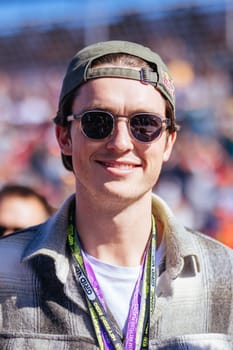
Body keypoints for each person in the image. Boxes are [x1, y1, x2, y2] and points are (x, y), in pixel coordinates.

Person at [0, 40, 232, 349]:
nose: (121, 142)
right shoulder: (4, 272)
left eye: (145, 124)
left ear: (168, 142)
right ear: (63, 136)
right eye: (98, 121)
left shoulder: (225, 276)